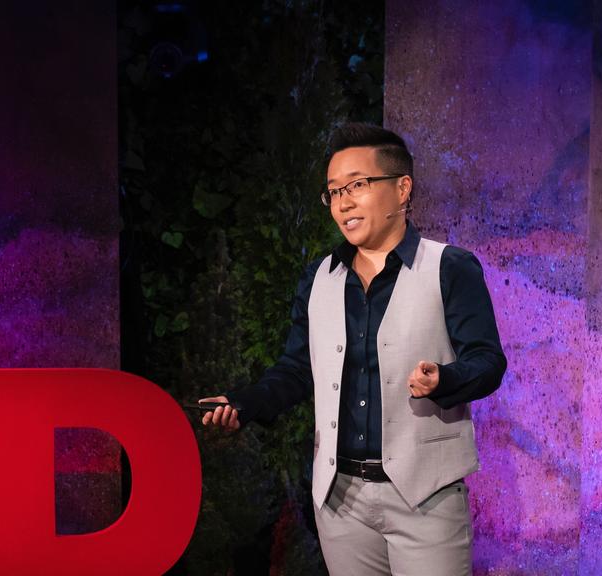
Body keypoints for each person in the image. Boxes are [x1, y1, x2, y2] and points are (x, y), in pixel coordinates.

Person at [199, 122, 507, 575]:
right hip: (341, 499)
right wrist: (245, 403)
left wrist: (445, 378)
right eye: (333, 192)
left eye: (357, 185)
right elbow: (297, 370)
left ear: (402, 189)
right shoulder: (320, 276)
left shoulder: (449, 267)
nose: (343, 202)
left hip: (426, 496)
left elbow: (488, 361)